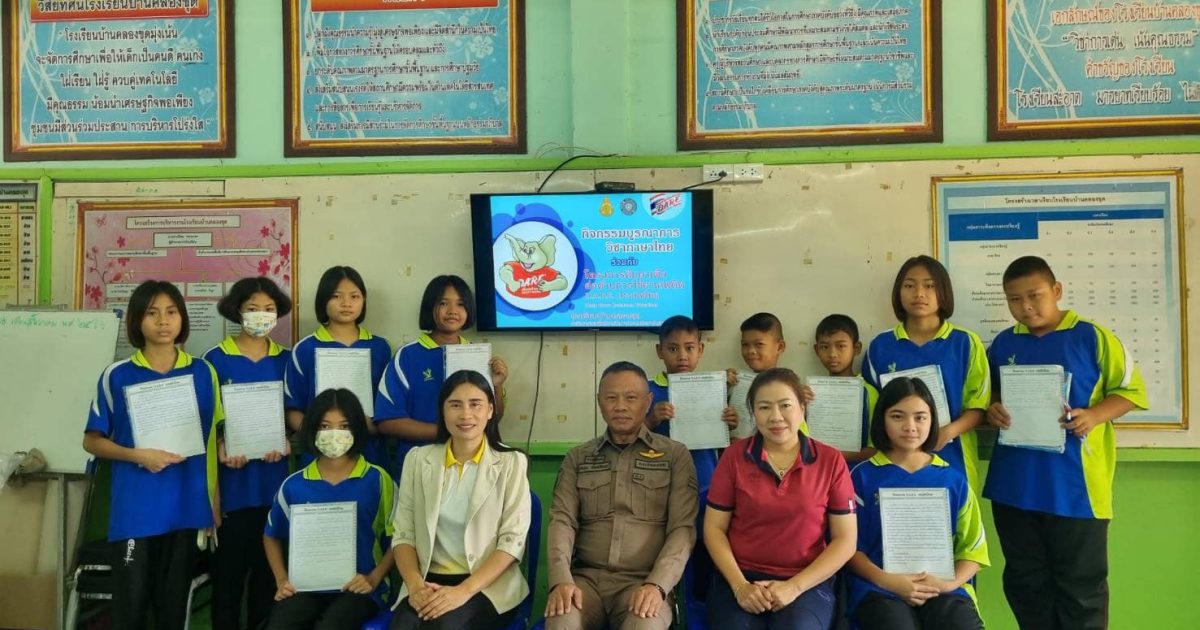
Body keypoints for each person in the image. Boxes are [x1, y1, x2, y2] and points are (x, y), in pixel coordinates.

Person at [984, 255, 1148, 630]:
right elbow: (988, 393)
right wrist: (993, 408)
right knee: (1026, 585)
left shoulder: (1092, 337)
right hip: (1015, 486)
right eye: (1014, 299)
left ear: (1056, 290)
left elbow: (1132, 392)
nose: (1026, 307)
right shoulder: (1004, 343)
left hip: (1076, 489)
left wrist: (1094, 415)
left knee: (1082, 589)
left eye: (1035, 295)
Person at [82, 280, 223, 630]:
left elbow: (212, 444)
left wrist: (213, 501)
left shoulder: (203, 372)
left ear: (182, 318)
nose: (163, 321)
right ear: (137, 320)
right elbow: (92, 441)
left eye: (171, 312)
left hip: (186, 508)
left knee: (172, 608)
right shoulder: (117, 375)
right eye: (152, 313)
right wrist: (138, 455)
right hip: (136, 510)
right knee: (130, 606)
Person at [545, 361, 698, 630]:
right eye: (611, 398)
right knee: (561, 621)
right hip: (585, 582)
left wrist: (657, 585)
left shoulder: (675, 456)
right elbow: (562, 522)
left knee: (645, 624)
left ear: (648, 402)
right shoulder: (578, 458)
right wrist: (561, 580)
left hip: (643, 582)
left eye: (631, 398)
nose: (620, 406)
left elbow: (682, 530)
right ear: (599, 402)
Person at [704, 368, 856, 630]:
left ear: (802, 407)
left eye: (785, 405)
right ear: (753, 413)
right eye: (764, 407)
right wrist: (740, 587)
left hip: (806, 581)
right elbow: (714, 529)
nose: (776, 417)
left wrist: (794, 587)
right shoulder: (733, 457)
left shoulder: (831, 461)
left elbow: (845, 540)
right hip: (739, 578)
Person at [389, 370, 530, 630]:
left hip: (486, 585)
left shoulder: (511, 462)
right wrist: (415, 585)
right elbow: (404, 534)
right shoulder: (418, 460)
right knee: (402, 626)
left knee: (442, 626)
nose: (466, 414)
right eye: (455, 405)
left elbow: (513, 541)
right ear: (443, 412)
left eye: (475, 404)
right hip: (427, 581)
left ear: (490, 410)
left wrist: (462, 592)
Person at [846, 377, 989, 630]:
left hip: (942, 589)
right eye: (897, 416)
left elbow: (973, 551)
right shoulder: (861, 477)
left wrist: (946, 584)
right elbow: (849, 548)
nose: (910, 427)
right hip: (879, 588)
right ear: (882, 420)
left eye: (920, 417)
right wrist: (889, 581)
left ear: (932, 420)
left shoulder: (953, 480)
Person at [263, 389, 396, 629]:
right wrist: (282, 580)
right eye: (325, 426)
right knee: (280, 623)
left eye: (344, 426)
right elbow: (271, 535)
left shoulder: (377, 479)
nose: (334, 434)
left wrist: (374, 578)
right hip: (307, 587)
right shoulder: (294, 485)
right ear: (312, 429)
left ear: (357, 429)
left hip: (360, 587)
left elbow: (401, 536)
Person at [205, 277, 293, 630]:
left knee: (268, 584)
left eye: (269, 309)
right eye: (253, 308)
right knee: (227, 583)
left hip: (274, 485)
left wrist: (289, 440)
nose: (261, 315)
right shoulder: (214, 360)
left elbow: (296, 416)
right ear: (236, 311)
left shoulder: (287, 360)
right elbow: (205, 423)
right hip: (232, 491)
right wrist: (221, 446)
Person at [861, 255, 990, 491]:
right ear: (898, 293)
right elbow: (870, 406)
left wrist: (946, 432)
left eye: (929, 286)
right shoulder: (880, 346)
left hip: (953, 456)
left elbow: (978, 406)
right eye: (909, 285)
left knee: (955, 511)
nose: (919, 293)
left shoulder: (965, 342)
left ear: (944, 292)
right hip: (894, 460)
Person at [375, 275, 509, 478]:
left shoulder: (478, 355)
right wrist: (445, 430)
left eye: (460, 304)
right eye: (444, 303)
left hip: (472, 466)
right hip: (421, 467)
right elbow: (387, 421)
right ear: (430, 307)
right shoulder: (407, 356)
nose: (453, 311)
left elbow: (493, 418)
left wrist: (497, 385)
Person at [284, 265, 391, 467]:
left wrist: (373, 426)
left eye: (354, 296)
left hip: (369, 452)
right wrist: (319, 434)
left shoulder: (380, 347)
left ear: (363, 300)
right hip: (318, 455)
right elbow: (293, 410)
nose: (346, 303)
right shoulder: (305, 349)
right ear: (323, 300)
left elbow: (389, 406)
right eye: (336, 296)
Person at [814, 314, 879, 463]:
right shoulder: (811, 393)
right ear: (816, 350)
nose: (832, 354)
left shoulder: (868, 393)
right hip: (819, 471)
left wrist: (834, 456)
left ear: (856, 348)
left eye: (841, 346)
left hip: (855, 471)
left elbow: (875, 449)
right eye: (824, 347)